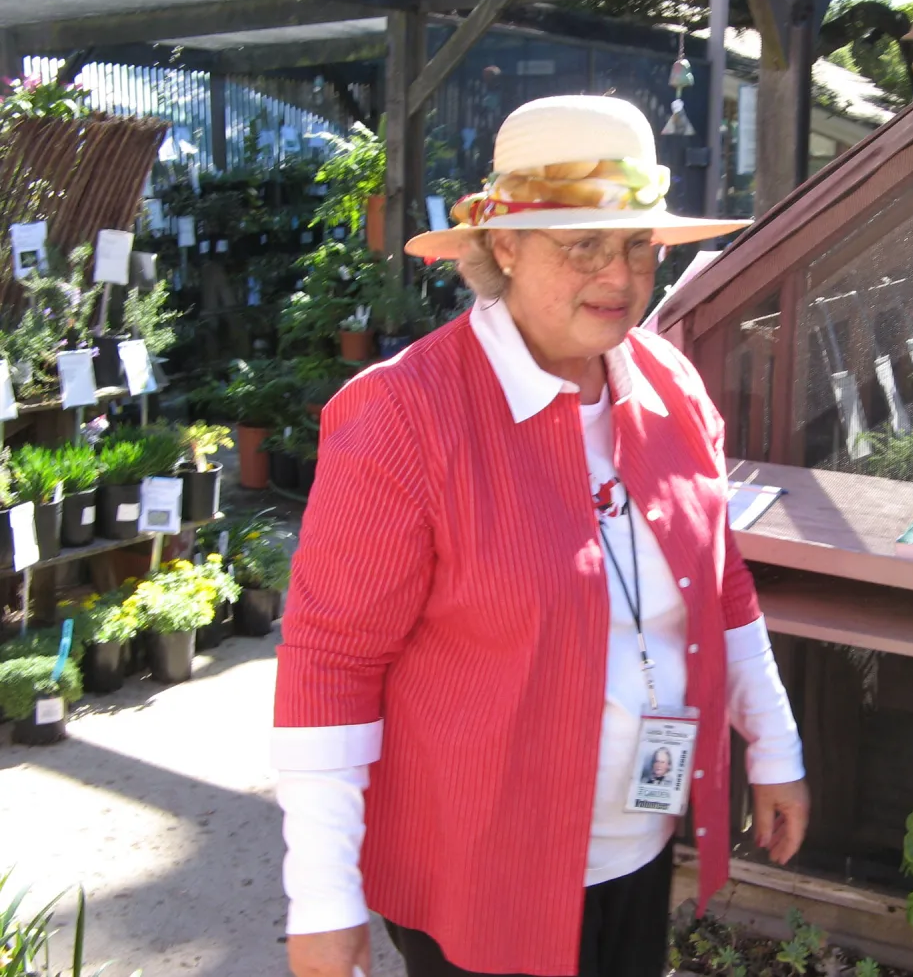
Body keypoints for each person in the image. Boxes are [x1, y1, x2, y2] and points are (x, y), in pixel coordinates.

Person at [273, 94, 810, 977]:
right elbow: (331, 663)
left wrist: (776, 747)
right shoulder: (406, 416)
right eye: (584, 244)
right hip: (480, 871)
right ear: (505, 248)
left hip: (639, 844)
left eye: (638, 244)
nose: (620, 275)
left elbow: (721, 585)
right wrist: (323, 899)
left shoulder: (669, 386)